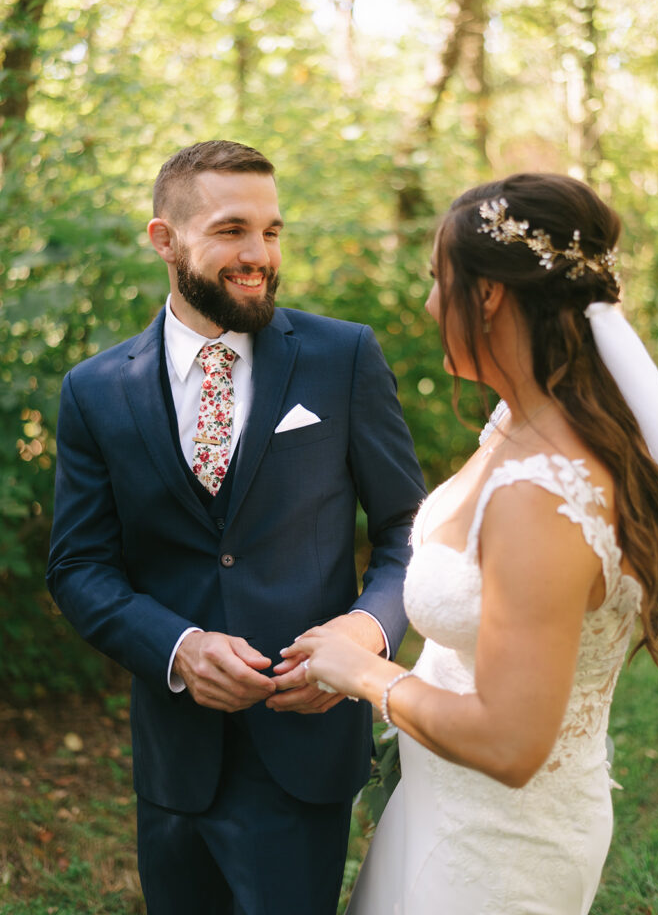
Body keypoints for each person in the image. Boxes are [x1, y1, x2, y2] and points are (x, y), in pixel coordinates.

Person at [46, 140, 426, 915]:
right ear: (165, 240)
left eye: (273, 231)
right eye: (231, 231)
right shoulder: (95, 391)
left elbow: (408, 530)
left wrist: (365, 630)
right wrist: (177, 649)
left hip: (306, 740)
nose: (259, 255)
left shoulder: (341, 357)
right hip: (174, 759)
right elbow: (80, 565)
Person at [285, 173, 658, 915]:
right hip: (440, 805)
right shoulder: (513, 426)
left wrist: (364, 676)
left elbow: (509, 743)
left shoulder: (543, 494)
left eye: (441, 281)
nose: (431, 303)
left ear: (490, 294)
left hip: (500, 851)